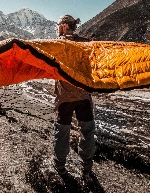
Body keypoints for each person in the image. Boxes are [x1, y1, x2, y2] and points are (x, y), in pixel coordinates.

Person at [53, 14, 96, 181]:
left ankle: (60, 167)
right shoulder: (86, 43)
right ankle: (86, 170)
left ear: (64, 26)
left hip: (64, 99)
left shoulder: (57, 45)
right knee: (87, 132)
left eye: (58, 25)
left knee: (62, 132)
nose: (57, 28)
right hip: (84, 97)